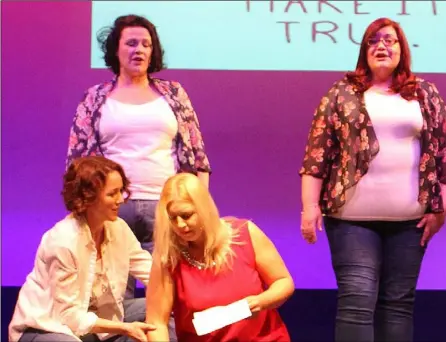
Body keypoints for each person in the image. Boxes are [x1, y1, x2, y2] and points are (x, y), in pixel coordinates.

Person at [299, 17, 446, 342]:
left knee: (398, 304)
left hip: (410, 222)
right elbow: (316, 153)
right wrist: (309, 207)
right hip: (350, 220)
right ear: (364, 51)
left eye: (390, 40)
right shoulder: (341, 93)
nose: (382, 47)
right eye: (374, 41)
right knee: (357, 301)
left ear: (402, 49)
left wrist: (442, 209)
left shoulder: (424, 93)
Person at [65, 14, 211, 299]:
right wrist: (81, 210)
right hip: (112, 209)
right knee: (113, 297)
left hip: (166, 208)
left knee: (170, 293)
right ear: (115, 50)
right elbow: (77, 160)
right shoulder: (94, 98)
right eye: (131, 43)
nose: (140, 50)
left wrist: (200, 207)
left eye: (146, 44)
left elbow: (197, 156)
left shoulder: (173, 94)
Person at [8, 156, 177, 342]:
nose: (121, 199)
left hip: (99, 318)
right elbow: (70, 317)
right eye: (112, 194)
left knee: (161, 308)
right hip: (48, 325)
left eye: (121, 191)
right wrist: (125, 328)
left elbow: (150, 272)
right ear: (88, 197)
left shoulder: (118, 228)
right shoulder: (63, 241)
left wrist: (189, 294)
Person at [145, 173, 294, 341]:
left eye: (186, 216)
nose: (180, 225)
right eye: (173, 218)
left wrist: (261, 302)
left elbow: (283, 281)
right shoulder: (168, 256)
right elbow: (156, 322)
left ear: (204, 209)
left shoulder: (245, 233)